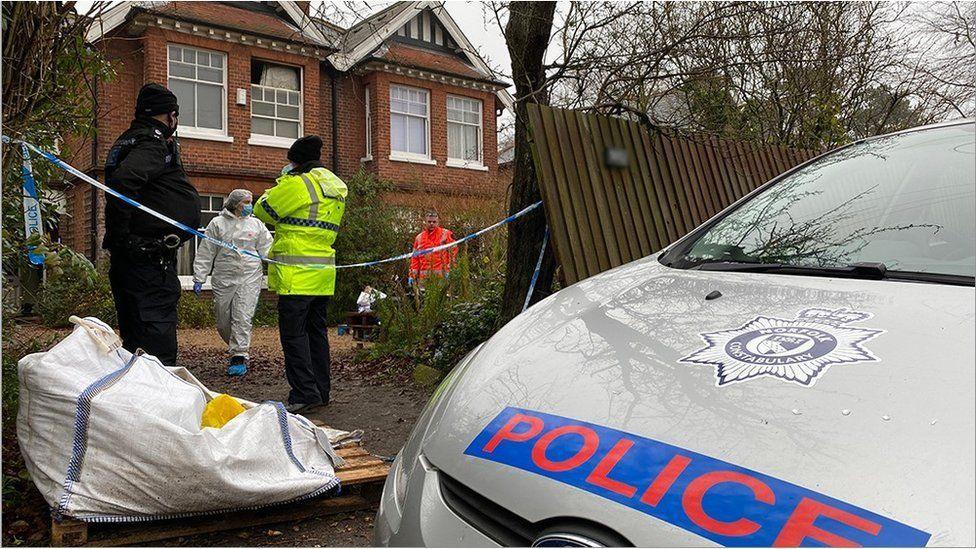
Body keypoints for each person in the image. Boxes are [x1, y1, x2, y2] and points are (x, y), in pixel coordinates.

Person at [103, 83, 201, 366]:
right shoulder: (151, 143)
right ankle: (159, 405)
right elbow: (124, 182)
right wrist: (125, 238)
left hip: (134, 261)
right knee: (157, 350)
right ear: (170, 116)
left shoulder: (127, 140)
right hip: (147, 261)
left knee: (136, 346)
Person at [254, 136, 347, 414]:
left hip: (296, 274)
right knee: (317, 334)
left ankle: (304, 393)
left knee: (294, 336)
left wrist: (281, 183)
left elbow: (263, 210)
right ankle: (321, 390)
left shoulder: (298, 184)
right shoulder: (335, 186)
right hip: (322, 273)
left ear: (296, 162)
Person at [192, 189, 272, 376]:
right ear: (235, 203)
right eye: (246, 202)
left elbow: (267, 249)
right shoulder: (217, 224)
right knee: (223, 319)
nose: (249, 206)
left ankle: (239, 355)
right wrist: (199, 277)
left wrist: (280, 261)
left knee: (242, 316)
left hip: (250, 276)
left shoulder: (256, 224)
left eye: (250, 202)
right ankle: (236, 344)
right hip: (224, 275)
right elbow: (207, 251)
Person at [408, 211, 457, 289]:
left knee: (441, 298)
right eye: (429, 222)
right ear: (425, 222)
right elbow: (415, 258)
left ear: (438, 222)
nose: (431, 224)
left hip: (441, 276)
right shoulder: (419, 238)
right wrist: (412, 275)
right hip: (424, 278)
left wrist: (450, 269)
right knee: (423, 299)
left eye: (434, 222)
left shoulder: (445, 234)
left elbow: (453, 252)